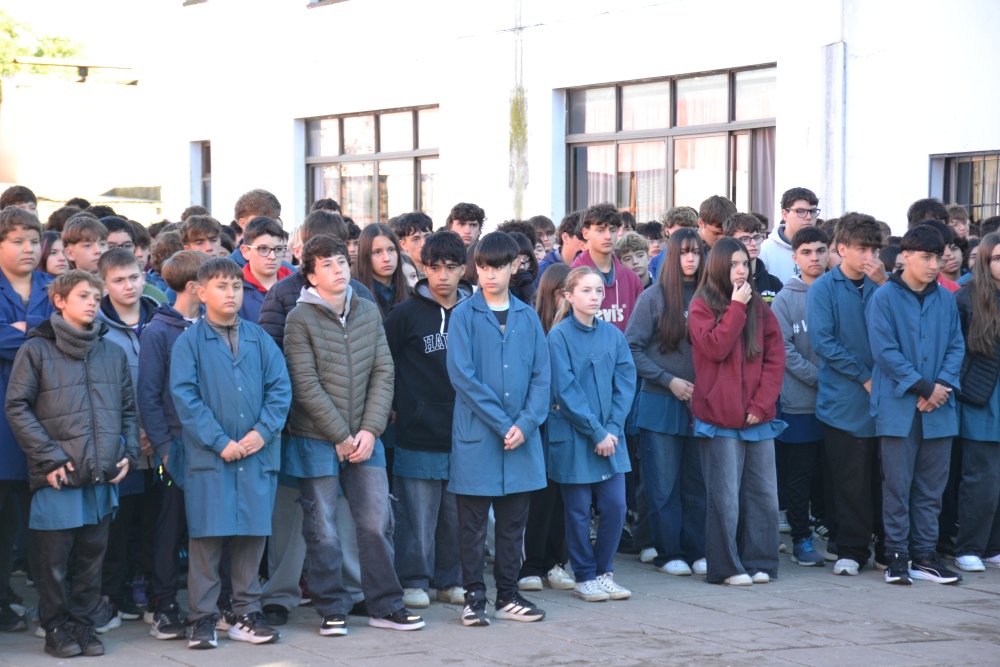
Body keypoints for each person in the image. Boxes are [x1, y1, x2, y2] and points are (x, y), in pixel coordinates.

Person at [284, 234, 423, 635]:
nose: (338, 270)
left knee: (377, 521)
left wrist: (368, 430)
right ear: (311, 275)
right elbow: (304, 384)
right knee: (322, 525)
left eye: (342, 262)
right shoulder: (300, 318)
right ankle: (331, 607)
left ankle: (385, 605)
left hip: (366, 437)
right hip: (315, 437)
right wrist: (341, 435)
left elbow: (384, 371)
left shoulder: (366, 311)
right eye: (327, 264)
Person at [6, 270, 139, 657]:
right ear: (60, 302)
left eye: (96, 297)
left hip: (102, 474)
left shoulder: (111, 351)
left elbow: (128, 411)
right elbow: (17, 406)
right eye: (83, 296)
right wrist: (48, 456)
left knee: (90, 559)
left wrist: (128, 453)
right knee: (53, 561)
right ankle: (56, 628)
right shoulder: (36, 349)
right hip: (58, 473)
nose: (93, 303)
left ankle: (83, 626)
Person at [169, 257, 291, 649]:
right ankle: (203, 618)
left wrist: (263, 432)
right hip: (211, 456)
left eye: (237, 286)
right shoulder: (189, 342)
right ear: (200, 293)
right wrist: (219, 440)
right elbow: (185, 397)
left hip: (256, 454)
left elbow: (280, 390)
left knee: (252, 537)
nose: (231, 293)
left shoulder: (260, 339)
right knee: (207, 539)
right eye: (221, 286)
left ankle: (246, 613)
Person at [446, 231, 550, 626]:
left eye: (498, 267)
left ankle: (508, 594)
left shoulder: (527, 315)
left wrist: (525, 423)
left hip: (521, 438)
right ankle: (474, 597)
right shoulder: (463, 315)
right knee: (472, 525)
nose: (490, 275)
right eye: (484, 267)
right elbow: (463, 376)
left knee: (512, 524)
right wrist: (506, 423)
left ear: (514, 267)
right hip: (479, 436)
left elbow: (543, 376)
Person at [869, 225, 965, 585]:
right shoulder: (884, 298)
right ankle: (897, 556)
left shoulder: (945, 298)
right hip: (898, 409)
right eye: (926, 257)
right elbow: (885, 351)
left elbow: (957, 346)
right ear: (905, 257)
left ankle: (924, 555)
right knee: (897, 484)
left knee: (931, 488)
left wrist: (941, 387)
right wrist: (924, 387)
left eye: (937, 258)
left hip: (939, 408)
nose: (933, 265)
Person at [688, 237, 786, 586]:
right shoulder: (701, 305)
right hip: (718, 416)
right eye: (732, 264)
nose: (741, 270)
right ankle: (726, 567)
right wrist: (736, 308)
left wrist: (762, 404)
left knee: (764, 494)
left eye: (744, 263)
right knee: (724, 498)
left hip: (757, 416)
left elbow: (776, 359)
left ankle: (761, 562)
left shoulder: (760, 306)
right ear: (717, 267)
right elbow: (714, 347)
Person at [383, 230, 471, 610]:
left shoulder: (475, 311)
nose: (442, 276)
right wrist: (393, 406)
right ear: (423, 267)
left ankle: (450, 580)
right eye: (434, 268)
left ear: (463, 269)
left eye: (451, 268)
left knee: (456, 515)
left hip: (464, 431)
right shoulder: (404, 314)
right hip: (416, 430)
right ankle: (413, 580)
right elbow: (383, 365)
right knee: (415, 516)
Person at [547, 266, 637, 602]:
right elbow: (566, 391)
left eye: (599, 291)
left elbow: (626, 383)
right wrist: (597, 431)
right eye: (586, 291)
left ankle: (604, 571)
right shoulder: (558, 336)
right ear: (568, 296)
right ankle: (584, 575)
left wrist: (612, 430)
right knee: (579, 509)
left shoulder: (613, 335)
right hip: (575, 438)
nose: (595, 297)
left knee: (615, 504)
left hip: (610, 439)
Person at [807, 212, 887, 577]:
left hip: (887, 399)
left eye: (874, 248)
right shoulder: (823, 288)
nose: (869, 255)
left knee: (886, 479)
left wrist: (884, 284)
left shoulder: (886, 286)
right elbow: (824, 342)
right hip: (844, 401)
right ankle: (851, 550)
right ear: (842, 249)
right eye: (861, 248)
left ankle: (888, 548)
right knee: (849, 480)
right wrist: (864, 376)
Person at [625, 228, 707, 578]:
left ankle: (697, 549)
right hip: (660, 402)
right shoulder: (653, 297)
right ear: (671, 257)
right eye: (683, 252)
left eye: (697, 252)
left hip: (703, 405)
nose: (690, 259)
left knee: (697, 482)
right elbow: (631, 348)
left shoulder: (713, 296)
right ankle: (667, 551)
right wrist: (668, 380)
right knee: (662, 483)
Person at [136, 250, 208, 640]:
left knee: (208, 526)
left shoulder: (211, 326)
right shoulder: (158, 331)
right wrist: (164, 446)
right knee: (169, 524)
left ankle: (215, 601)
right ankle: (163, 604)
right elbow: (148, 395)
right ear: (196, 287)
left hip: (210, 445)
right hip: (174, 447)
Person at [92, 249, 159, 625]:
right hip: (117, 444)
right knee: (117, 525)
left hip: (159, 442)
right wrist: (130, 435)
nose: (128, 285)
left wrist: (155, 431)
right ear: (104, 285)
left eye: (133, 277)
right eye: (118, 280)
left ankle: (147, 592)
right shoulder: (97, 327)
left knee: (153, 524)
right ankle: (111, 595)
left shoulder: (159, 320)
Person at [0, 207, 54, 634]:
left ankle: (48, 604)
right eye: (17, 240)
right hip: (3, 422)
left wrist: (25, 325)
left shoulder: (52, 286)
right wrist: (35, 331)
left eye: (34, 241)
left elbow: (64, 327)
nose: (28, 249)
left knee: (41, 517)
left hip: (47, 417)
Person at [771, 227, 830, 567]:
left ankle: (837, 536)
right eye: (806, 252)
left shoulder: (839, 291)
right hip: (799, 403)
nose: (815, 258)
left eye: (821, 250)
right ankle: (800, 539)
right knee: (799, 477)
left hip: (839, 402)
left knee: (833, 474)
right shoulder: (785, 298)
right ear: (794, 257)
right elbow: (784, 350)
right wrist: (821, 378)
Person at [518, 263, 575, 592]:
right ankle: (530, 565)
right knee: (538, 497)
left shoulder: (579, 326)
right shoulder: (530, 323)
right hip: (537, 422)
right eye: (562, 293)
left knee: (563, 497)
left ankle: (556, 562)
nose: (567, 300)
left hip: (567, 424)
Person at [953, 232, 1000, 572]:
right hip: (982, 397)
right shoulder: (966, 297)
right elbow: (956, 351)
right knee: (980, 478)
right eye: (997, 258)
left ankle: (994, 546)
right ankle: (969, 547)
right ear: (984, 261)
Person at [571, 203, 643, 334]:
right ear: (585, 233)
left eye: (613, 230)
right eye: (600, 230)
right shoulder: (572, 277)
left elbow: (640, 332)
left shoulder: (632, 280)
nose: (608, 236)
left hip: (625, 354)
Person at [649, 198, 734, 280]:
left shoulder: (733, 248)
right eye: (716, 233)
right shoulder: (676, 247)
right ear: (700, 223)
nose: (722, 238)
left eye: (727, 234)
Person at [759, 187, 820, 283]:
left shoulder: (823, 248)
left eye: (812, 212)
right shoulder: (764, 251)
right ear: (785, 214)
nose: (808, 217)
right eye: (800, 211)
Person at [237, 217, 292, 323]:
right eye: (263, 249)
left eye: (278, 249)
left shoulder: (299, 286)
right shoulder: (234, 290)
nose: (272, 256)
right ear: (245, 251)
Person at [724, 213, 783, 304]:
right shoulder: (721, 282)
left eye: (756, 237)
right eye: (745, 239)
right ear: (729, 241)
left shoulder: (773, 282)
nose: (753, 243)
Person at [356, 224, 410, 318]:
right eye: (377, 252)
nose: (386, 258)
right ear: (365, 255)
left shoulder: (411, 294)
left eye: (391, 250)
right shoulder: (353, 294)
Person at [228, 189, 282, 267]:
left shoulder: (288, 271)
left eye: (274, 220)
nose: (270, 226)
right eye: (261, 221)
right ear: (243, 224)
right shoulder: (227, 271)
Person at [535, 211, 585, 286]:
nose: (587, 244)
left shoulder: (593, 267)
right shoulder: (542, 270)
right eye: (583, 238)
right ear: (565, 238)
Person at [391, 212, 434, 278]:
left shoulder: (443, 271)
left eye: (427, 237)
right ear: (403, 244)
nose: (423, 244)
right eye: (416, 239)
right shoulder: (398, 277)